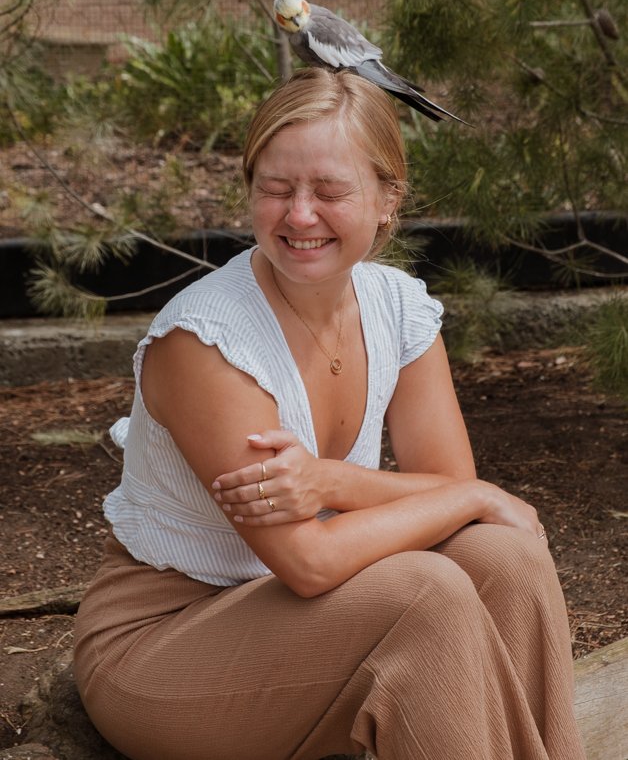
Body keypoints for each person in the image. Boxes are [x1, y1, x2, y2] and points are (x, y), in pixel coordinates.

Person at [73, 67, 585, 760]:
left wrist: (333, 482)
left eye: (330, 191)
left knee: (507, 557)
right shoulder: (206, 340)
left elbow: (449, 495)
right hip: (166, 645)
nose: (300, 215)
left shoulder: (398, 307)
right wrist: (476, 494)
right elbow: (310, 561)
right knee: (424, 591)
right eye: (275, 189)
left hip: (306, 615)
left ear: (387, 199)